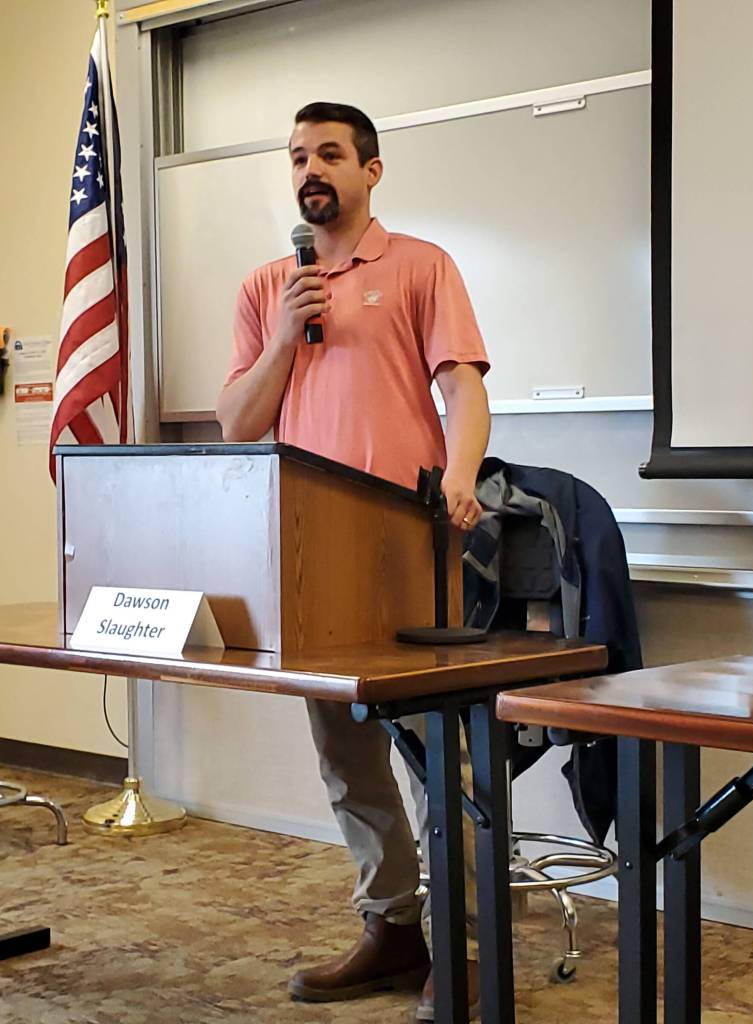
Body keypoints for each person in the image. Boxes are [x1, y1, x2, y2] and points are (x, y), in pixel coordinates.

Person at [217, 101, 491, 1021]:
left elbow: (461, 388)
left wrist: (459, 476)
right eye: (297, 156)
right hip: (307, 555)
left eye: (328, 153)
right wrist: (290, 335)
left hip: (405, 546)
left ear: (372, 170)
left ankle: (461, 946)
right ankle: (393, 928)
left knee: (432, 760)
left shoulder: (420, 266)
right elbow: (238, 423)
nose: (310, 169)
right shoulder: (269, 287)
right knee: (346, 756)